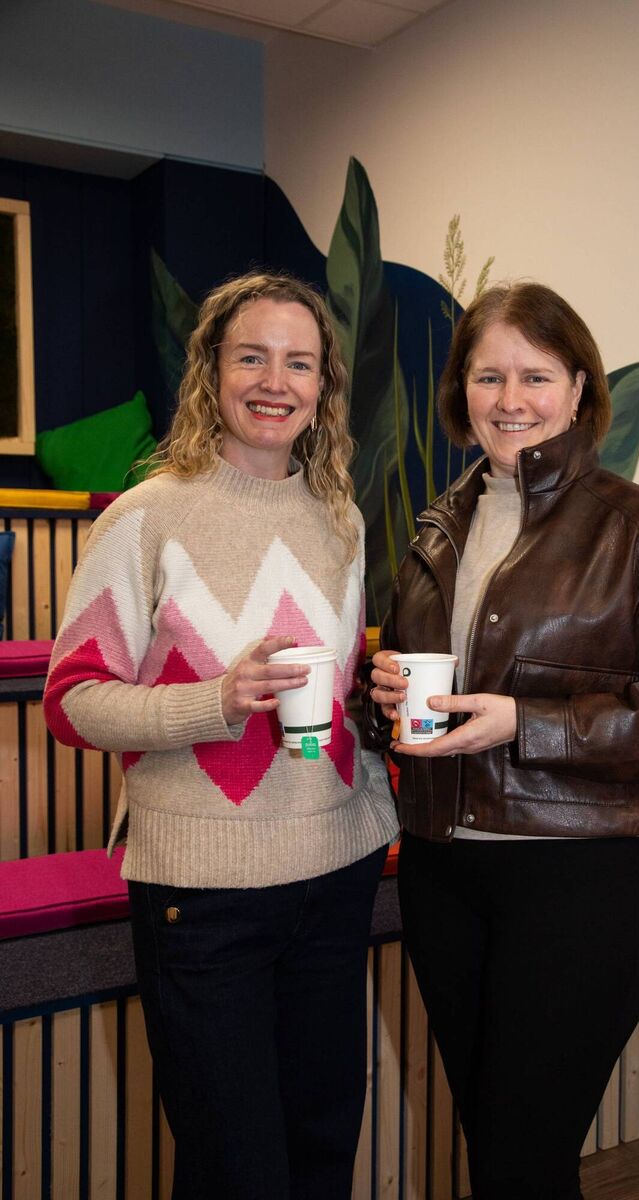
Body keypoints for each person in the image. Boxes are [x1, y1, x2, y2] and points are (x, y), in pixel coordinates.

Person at [369, 282, 639, 1200]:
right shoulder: (437, 526)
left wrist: (525, 723)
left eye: (535, 375)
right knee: (500, 1150)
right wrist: (373, 693)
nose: (510, 399)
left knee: (523, 1158)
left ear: (579, 389)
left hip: (580, 878)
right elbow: (410, 690)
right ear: (462, 392)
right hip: (443, 868)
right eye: (488, 375)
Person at [44, 271, 399, 1200]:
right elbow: (73, 699)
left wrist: (382, 709)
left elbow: (340, 690)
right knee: (235, 1167)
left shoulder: (342, 518)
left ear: (324, 387)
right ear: (212, 369)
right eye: (252, 356)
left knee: (324, 1149)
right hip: (202, 896)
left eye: (300, 362)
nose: (275, 381)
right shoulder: (145, 515)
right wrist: (217, 700)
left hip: (335, 865)